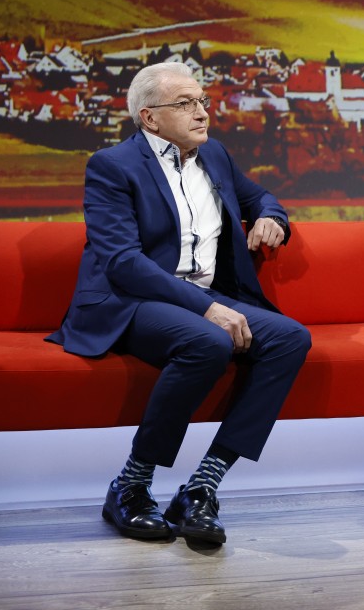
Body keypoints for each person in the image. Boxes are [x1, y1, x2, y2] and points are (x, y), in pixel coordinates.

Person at [48, 62, 311, 545]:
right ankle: (130, 486)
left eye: (203, 102)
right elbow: (124, 262)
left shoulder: (215, 157)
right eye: (185, 104)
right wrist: (206, 307)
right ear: (149, 118)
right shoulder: (111, 166)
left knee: (291, 337)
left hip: (203, 295)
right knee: (207, 341)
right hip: (130, 300)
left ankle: (202, 487)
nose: (202, 113)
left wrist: (272, 218)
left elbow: (262, 197)